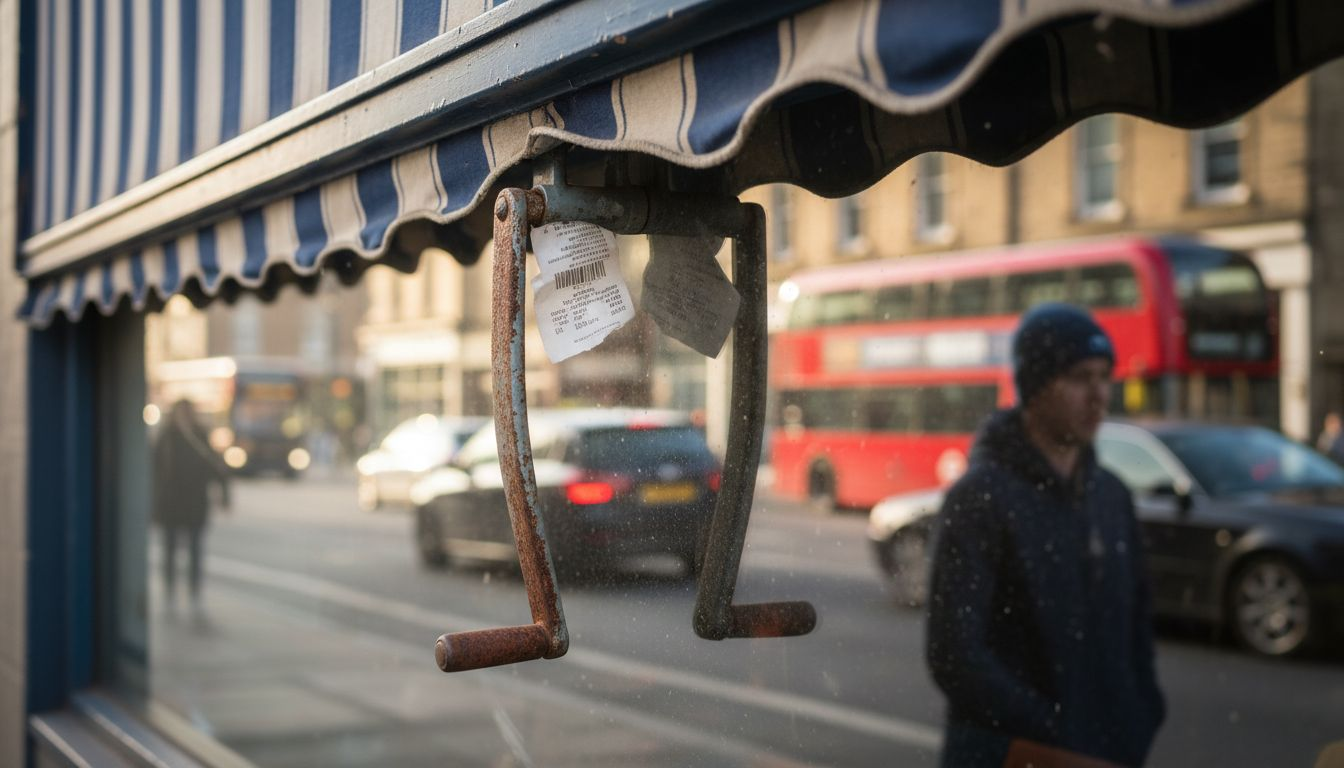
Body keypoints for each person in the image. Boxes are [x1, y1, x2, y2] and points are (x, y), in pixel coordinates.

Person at [926, 303, 1165, 768]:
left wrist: (1141, 714)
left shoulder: (1111, 496)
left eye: (1104, 377)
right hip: (1014, 754)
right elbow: (955, 655)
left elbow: (1136, 625)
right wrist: (1055, 728)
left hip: (1106, 750)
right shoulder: (981, 498)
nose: (1098, 396)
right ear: (1035, 388)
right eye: (1079, 378)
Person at [153, 399, 231, 622]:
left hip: (195, 503)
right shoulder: (166, 437)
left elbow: (215, 466)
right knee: (170, 552)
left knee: (195, 552)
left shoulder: (200, 436)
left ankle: (194, 595)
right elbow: (155, 472)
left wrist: (224, 495)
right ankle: (170, 594)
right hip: (171, 504)